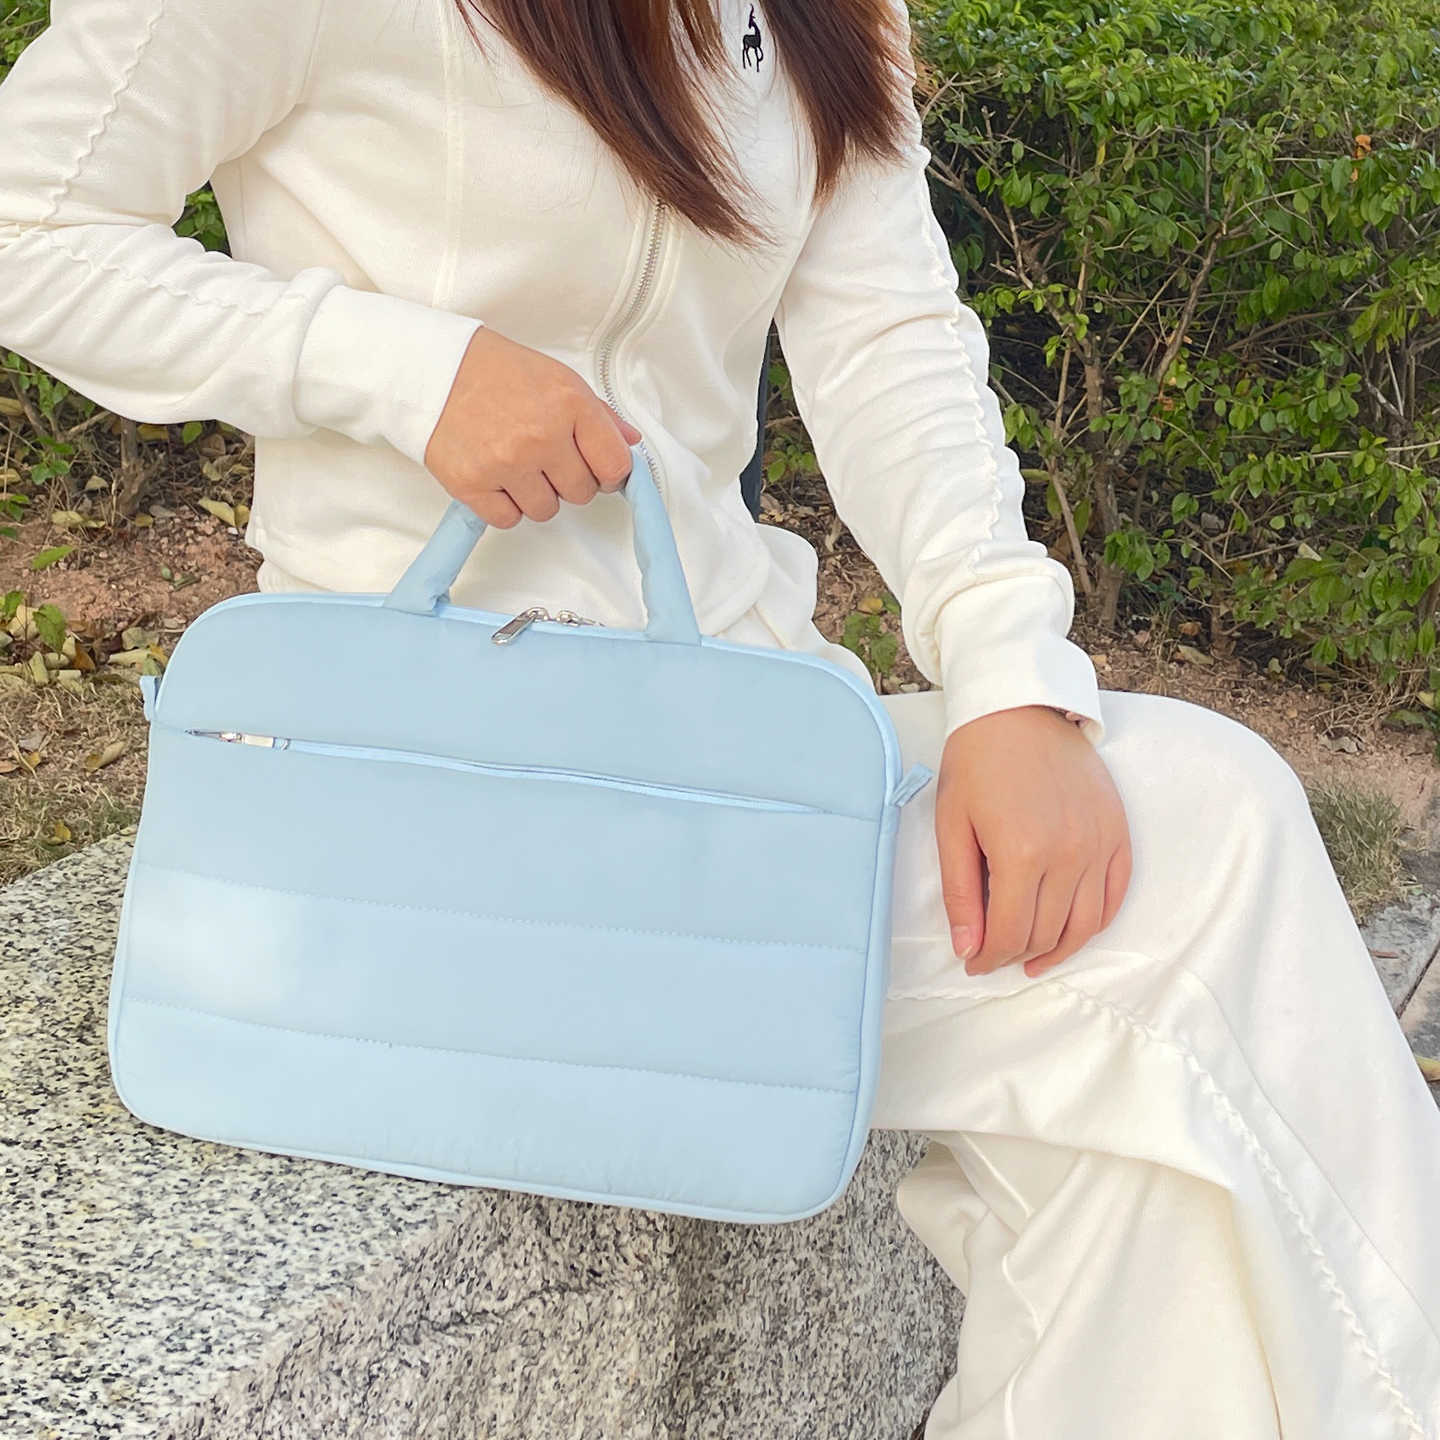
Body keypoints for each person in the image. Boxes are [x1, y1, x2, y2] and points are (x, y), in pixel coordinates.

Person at [1, 0, 1436, 1433]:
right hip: (425, 780)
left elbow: (886, 335)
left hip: (717, 751)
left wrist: (1008, 675)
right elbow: (31, 228)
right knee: (1209, 850)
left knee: (1152, 1054)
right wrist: (411, 371)